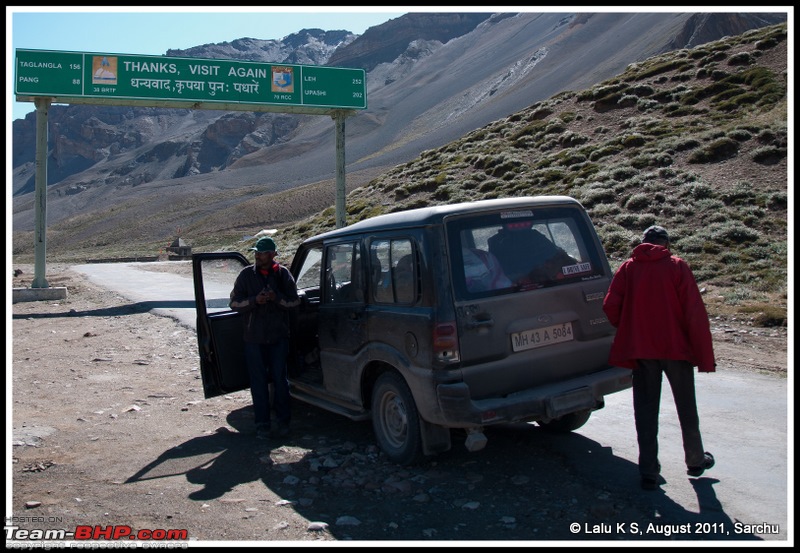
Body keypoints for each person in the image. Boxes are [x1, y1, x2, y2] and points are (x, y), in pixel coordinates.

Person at [602, 225, 716, 490]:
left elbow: (610, 305)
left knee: (645, 410)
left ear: (643, 243)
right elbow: (693, 312)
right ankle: (696, 460)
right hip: (677, 350)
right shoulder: (677, 266)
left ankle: (648, 471)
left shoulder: (629, 268)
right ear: (667, 244)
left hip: (642, 350)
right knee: (686, 408)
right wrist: (701, 352)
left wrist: (630, 327)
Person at [229, 236, 300, 440]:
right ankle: (262, 425)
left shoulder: (283, 275)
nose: (258, 256)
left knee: (280, 381)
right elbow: (234, 303)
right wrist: (255, 301)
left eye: (262, 253)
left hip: (278, 338)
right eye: (256, 253)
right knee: (258, 382)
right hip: (254, 338)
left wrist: (275, 298)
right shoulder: (245, 275)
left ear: (272, 254)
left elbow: (294, 302)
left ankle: (284, 422)